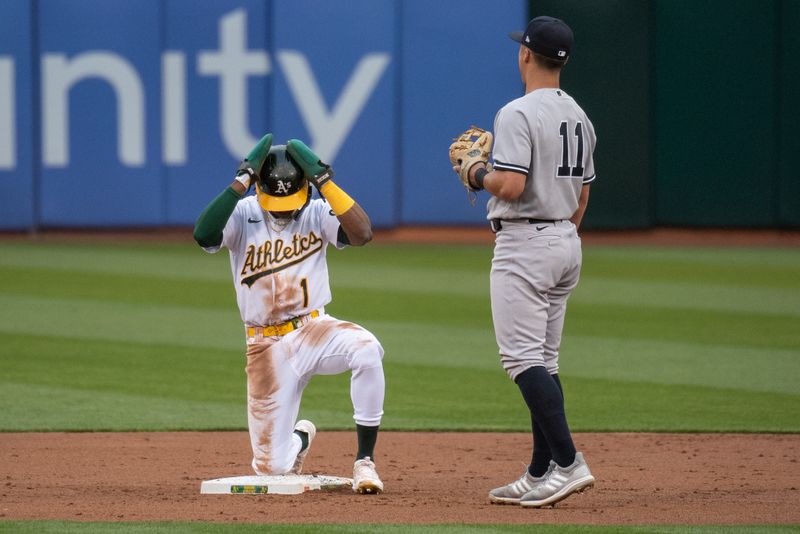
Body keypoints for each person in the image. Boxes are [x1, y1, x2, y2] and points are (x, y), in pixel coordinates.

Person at [454, 16, 596, 507]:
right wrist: (559, 236)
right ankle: (540, 471)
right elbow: (583, 194)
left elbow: (509, 186)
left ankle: (569, 462)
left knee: (520, 360)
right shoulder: (579, 114)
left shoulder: (516, 112)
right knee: (544, 359)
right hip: (565, 240)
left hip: (526, 244)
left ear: (525, 55)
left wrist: (476, 173)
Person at [193, 134, 385, 494]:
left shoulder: (317, 210)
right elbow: (203, 235)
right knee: (272, 468)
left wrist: (325, 181)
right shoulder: (245, 212)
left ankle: (365, 461)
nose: (283, 208)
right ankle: (300, 438)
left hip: (313, 331)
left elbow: (362, 233)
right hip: (264, 347)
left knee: (367, 349)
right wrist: (240, 181)